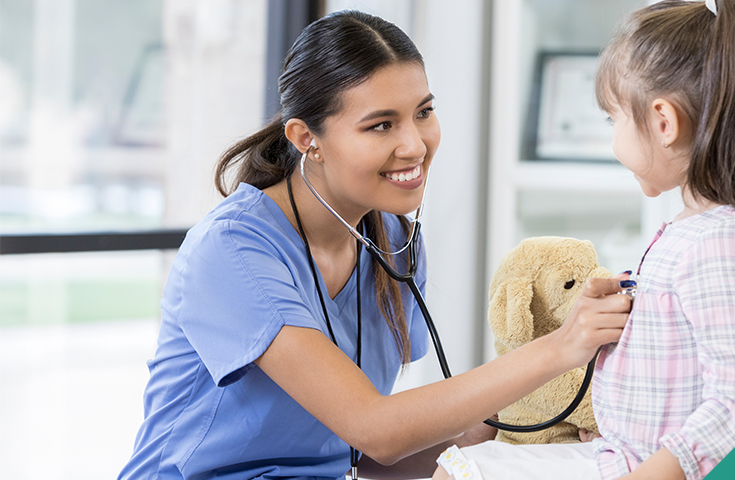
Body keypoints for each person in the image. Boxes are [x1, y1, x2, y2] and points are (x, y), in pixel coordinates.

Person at [118, 10, 631, 480]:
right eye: (381, 125)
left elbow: (364, 458)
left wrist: (522, 429)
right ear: (306, 139)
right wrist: (561, 347)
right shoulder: (234, 251)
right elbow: (375, 430)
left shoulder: (392, 240)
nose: (414, 145)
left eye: (423, 112)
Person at [433, 1, 735, 479]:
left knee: (463, 472)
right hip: (620, 453)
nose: (613, 136)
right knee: (465, 465)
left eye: (613, 119)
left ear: (663, 123)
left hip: (641, 469)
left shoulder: (720, 241)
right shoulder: (693, 230)